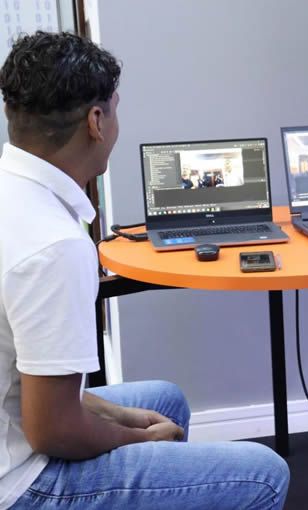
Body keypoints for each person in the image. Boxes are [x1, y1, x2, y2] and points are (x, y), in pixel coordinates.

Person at [0, 32, 288, 510]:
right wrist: (137, 439)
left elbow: (31, 385)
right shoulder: (55, 245)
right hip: (21, 482)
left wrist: (120, 416)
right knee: (265, 475)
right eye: (115, 109)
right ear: (96, 121)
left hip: (14, 424)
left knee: (163, 401)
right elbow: (52, 429)